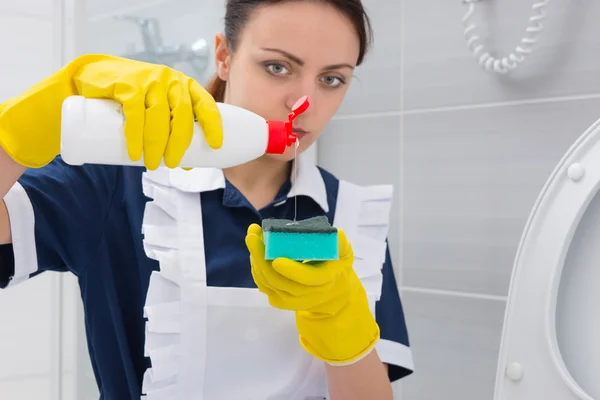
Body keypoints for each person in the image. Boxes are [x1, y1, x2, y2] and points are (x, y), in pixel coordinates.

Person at [0, 0, 414, 399]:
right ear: (224, 57)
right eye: (277, 67)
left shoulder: (350, 214)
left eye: (331, 79)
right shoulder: (120, 180)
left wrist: (343, 324)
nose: (302, 104)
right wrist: (25, 127)